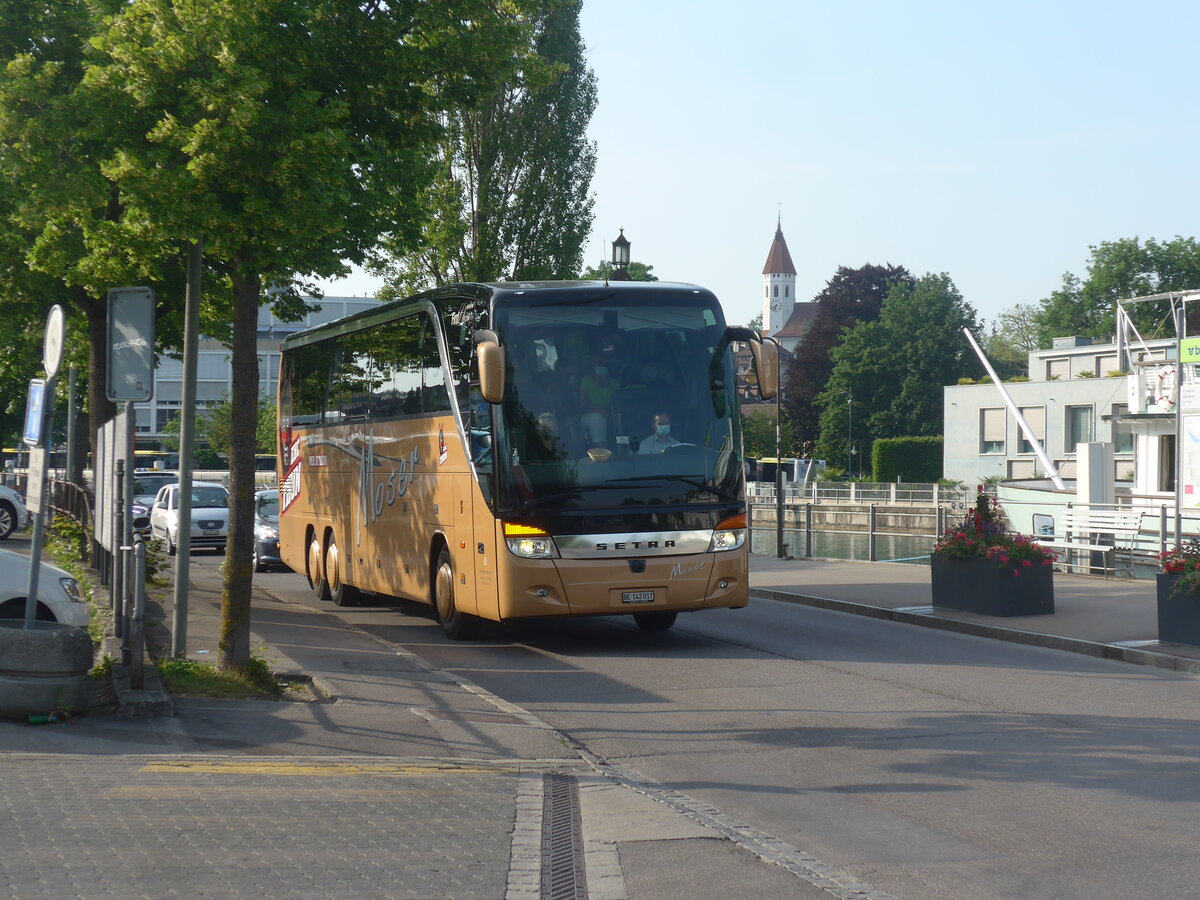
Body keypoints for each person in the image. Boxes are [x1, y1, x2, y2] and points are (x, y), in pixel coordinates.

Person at [579, 351, 621, 446]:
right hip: (589, 416)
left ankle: (625, 450)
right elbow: (583, 403)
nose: (601, 366)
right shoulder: (586, 380)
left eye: (605, 364)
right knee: (597, 418)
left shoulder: (615, 383)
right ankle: (601, 451)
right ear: (594, 365)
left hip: (611, 414)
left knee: (622, 418)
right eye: (599, 364)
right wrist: (602, 411)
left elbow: (619, 403)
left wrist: (611, 414)